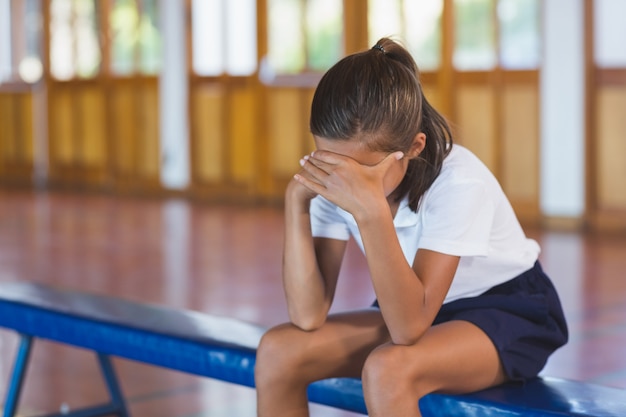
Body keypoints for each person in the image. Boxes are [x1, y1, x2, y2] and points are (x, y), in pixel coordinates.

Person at [254, 37, 568, 417]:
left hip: (506, 310)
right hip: (412, 305)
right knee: (279, 350)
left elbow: (408, 330)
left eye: (362, 171)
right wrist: (297, 204)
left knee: (388, 371)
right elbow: (307, 315)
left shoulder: (458, 182)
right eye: (331, 162)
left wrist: (371, 212)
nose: (343, 181)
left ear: (415, 147)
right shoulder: (332, 179)